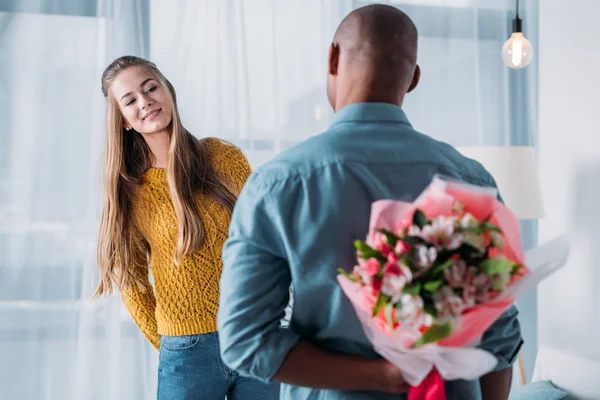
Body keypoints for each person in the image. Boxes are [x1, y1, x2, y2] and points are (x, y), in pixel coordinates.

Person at [217, 5, 522, 400]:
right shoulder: (471, 179)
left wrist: (381, 376)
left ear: (332, 57)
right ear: (413, 79)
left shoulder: (276, 185)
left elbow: (245, 342)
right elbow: (500, 337)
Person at [94, 55, 279, 400]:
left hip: (254, 336)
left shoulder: (225, 157)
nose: (145, 101)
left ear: (168, 91)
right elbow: (133, 284)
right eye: (130, 100)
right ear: (123, 121)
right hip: (187, 353)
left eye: (150, 88)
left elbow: (264, 241)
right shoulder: (130, 192)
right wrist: (172, 342)